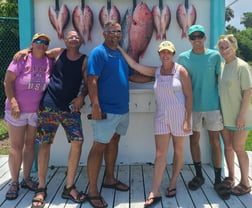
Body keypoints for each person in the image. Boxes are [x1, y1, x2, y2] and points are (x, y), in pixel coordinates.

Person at [86, 21, 153, 208]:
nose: (116, 34)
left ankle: (109, 178)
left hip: (122, 110)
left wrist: (157, 76)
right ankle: (92, 190)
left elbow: (133, 76)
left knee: (114, 141)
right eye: (112, 31)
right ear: (105, 33)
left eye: (118, 31)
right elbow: (92, 80)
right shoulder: (98, 53)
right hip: (105, 110)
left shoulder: (121, 55)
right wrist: (96, 106)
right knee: (98, 146)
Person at [118, 40, 192, 207]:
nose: (165, 55)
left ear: (173, 54)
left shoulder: (181, 71)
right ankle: (155, 191)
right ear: (159, 54)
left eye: (169, 52)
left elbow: (189, 96)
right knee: (160, 154)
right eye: (162, 52)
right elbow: (134, 65)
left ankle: (173, 183)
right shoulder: (156, 71)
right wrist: (120, 49)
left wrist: (187, 120)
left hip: (180, 115)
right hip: (161, 116)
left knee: (179, 151)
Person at [29, 30, 88, 208]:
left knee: (77, 141)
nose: (74, 39)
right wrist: (25, 51)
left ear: (81, 41)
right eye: (70, 36)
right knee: (45, 143)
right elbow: (38, 51)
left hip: (70, 107)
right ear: (64, 40)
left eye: (77, 37)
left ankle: (69, 186)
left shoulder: (85, 59)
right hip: (49, 104)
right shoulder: (57, 52)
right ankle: (41, 187)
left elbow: (86, 83)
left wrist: (81, 97)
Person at [177, 25, 229, 200]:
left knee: (215, 141)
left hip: (213, 106)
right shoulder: (183, 58)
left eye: (199, 36)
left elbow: (220, 80)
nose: (196, 39)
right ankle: (199, 175)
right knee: (194, 140)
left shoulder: (214, 56)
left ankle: (217, 179)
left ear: (205, 38)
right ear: (189, 39)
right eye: (193, 37)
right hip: (192, 108)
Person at [4, 33, 53, 200]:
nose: (41, 44)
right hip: (17, 110)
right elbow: (7, 82)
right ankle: (14, 182)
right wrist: (14, 103)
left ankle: (26, 178)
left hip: (35, 112)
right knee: (16, 147)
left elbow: (61, 51)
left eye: (45, 42)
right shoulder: (21, 58)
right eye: (38, 41)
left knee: (30, 145)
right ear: (32, 43)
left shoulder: (48, 61)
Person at [217, 34, 252, 196]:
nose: (224, 50)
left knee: (238, 147)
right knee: (228, 147)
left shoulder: (242, 66)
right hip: (225, 116)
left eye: (227, 47)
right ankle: (230, 177)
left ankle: (245, 183)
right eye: (221, 47)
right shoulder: (223, 66)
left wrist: (241, 116)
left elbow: (248, 91)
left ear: (234, 47)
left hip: (240, 116)